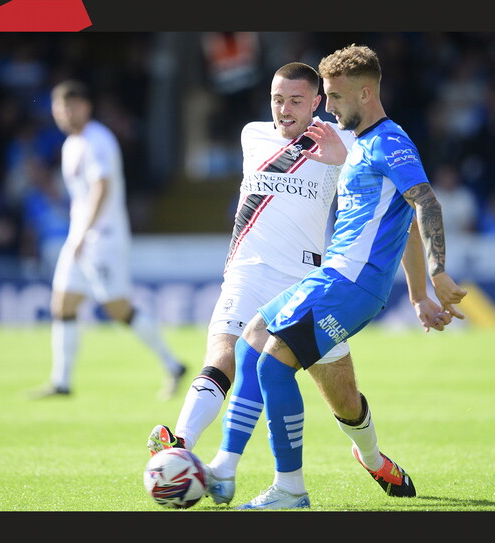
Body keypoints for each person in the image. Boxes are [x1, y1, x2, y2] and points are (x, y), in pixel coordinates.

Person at [147, 61, 458, 507]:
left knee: (335, 395)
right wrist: (420, 292)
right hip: (284, 274)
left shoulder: (361, 141)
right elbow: (402, 214)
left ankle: (349, 466)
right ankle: (218, 465)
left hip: (329, 279)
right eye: (278, 99)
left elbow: (416, 206)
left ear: (322, 102)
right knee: (245, 345)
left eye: (310, 100)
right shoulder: (256, 137)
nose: (293, 109)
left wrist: (430, 279)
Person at [232, 44, 468, 509]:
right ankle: (367, 459)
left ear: (364, 93)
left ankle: (290, 490)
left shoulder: (390, 142)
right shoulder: (358, 145)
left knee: (271, 367)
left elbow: (425, 202)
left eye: (335, 97)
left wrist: (438, 272)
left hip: (350, 284)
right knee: (253, 335)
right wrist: (418, 295)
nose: (330, 106)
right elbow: (400, 228)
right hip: (337, 277)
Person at [31, 80, 186, 400]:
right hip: (81, 234)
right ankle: (61, 381)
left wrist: (84, 231)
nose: (64, 113)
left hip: (102, 237)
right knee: (63, 302)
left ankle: (173, 365)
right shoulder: (71, 144)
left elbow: (101, 187)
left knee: (117, 308)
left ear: (86, 107)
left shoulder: (97, 140)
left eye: (70, 106)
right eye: (59, 108)